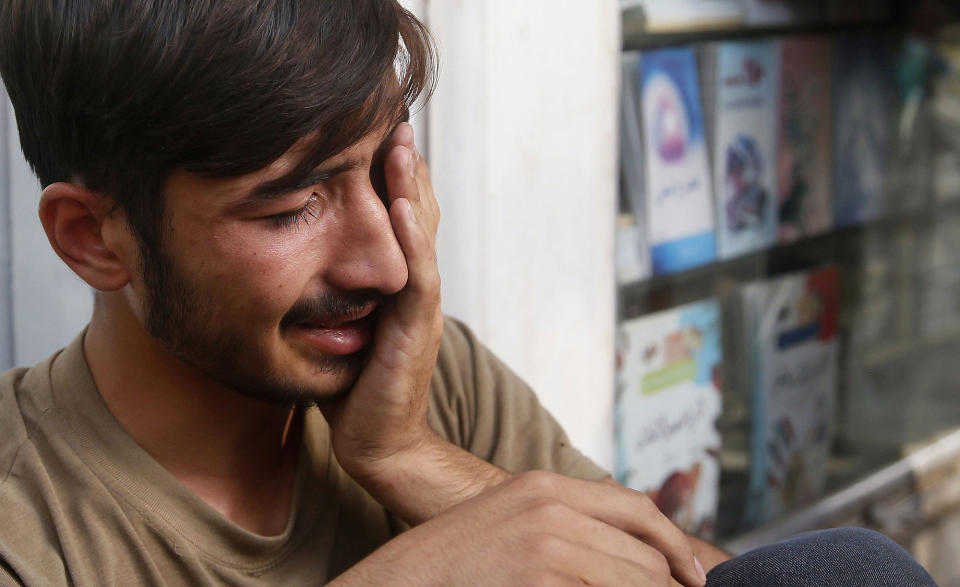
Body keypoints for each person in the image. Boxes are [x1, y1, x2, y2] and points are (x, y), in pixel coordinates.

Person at [0, 2, 938, 585]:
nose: (387, 264)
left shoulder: (411, 378)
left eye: (384, 173)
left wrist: (414, 458)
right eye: (293, 204)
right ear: (95, 238)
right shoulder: (29, 520)